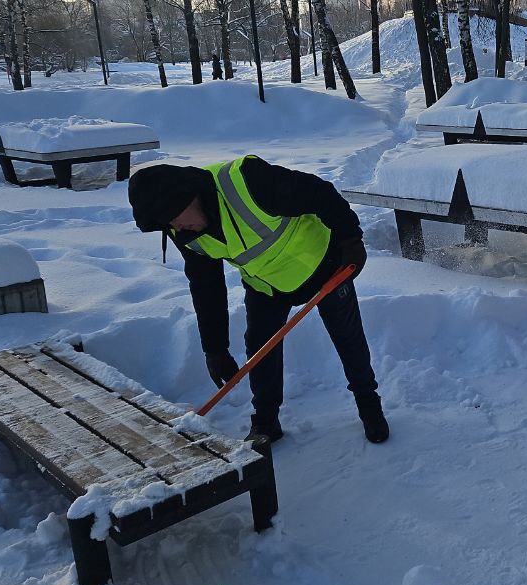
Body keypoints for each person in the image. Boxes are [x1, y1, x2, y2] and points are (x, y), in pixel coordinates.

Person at [128, 155, 389, 446]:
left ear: (189, 196)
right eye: (167, 222)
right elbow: (206, 287)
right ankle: (265, 423)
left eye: (174, 215)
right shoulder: (186, 232)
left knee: (347, 338)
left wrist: (350, 240)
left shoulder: (248, 181)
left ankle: (369, 405)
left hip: (325, 265)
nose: (176, 226)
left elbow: (321, 194)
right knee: (260, 349)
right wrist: (215, 349)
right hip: (266, 285)